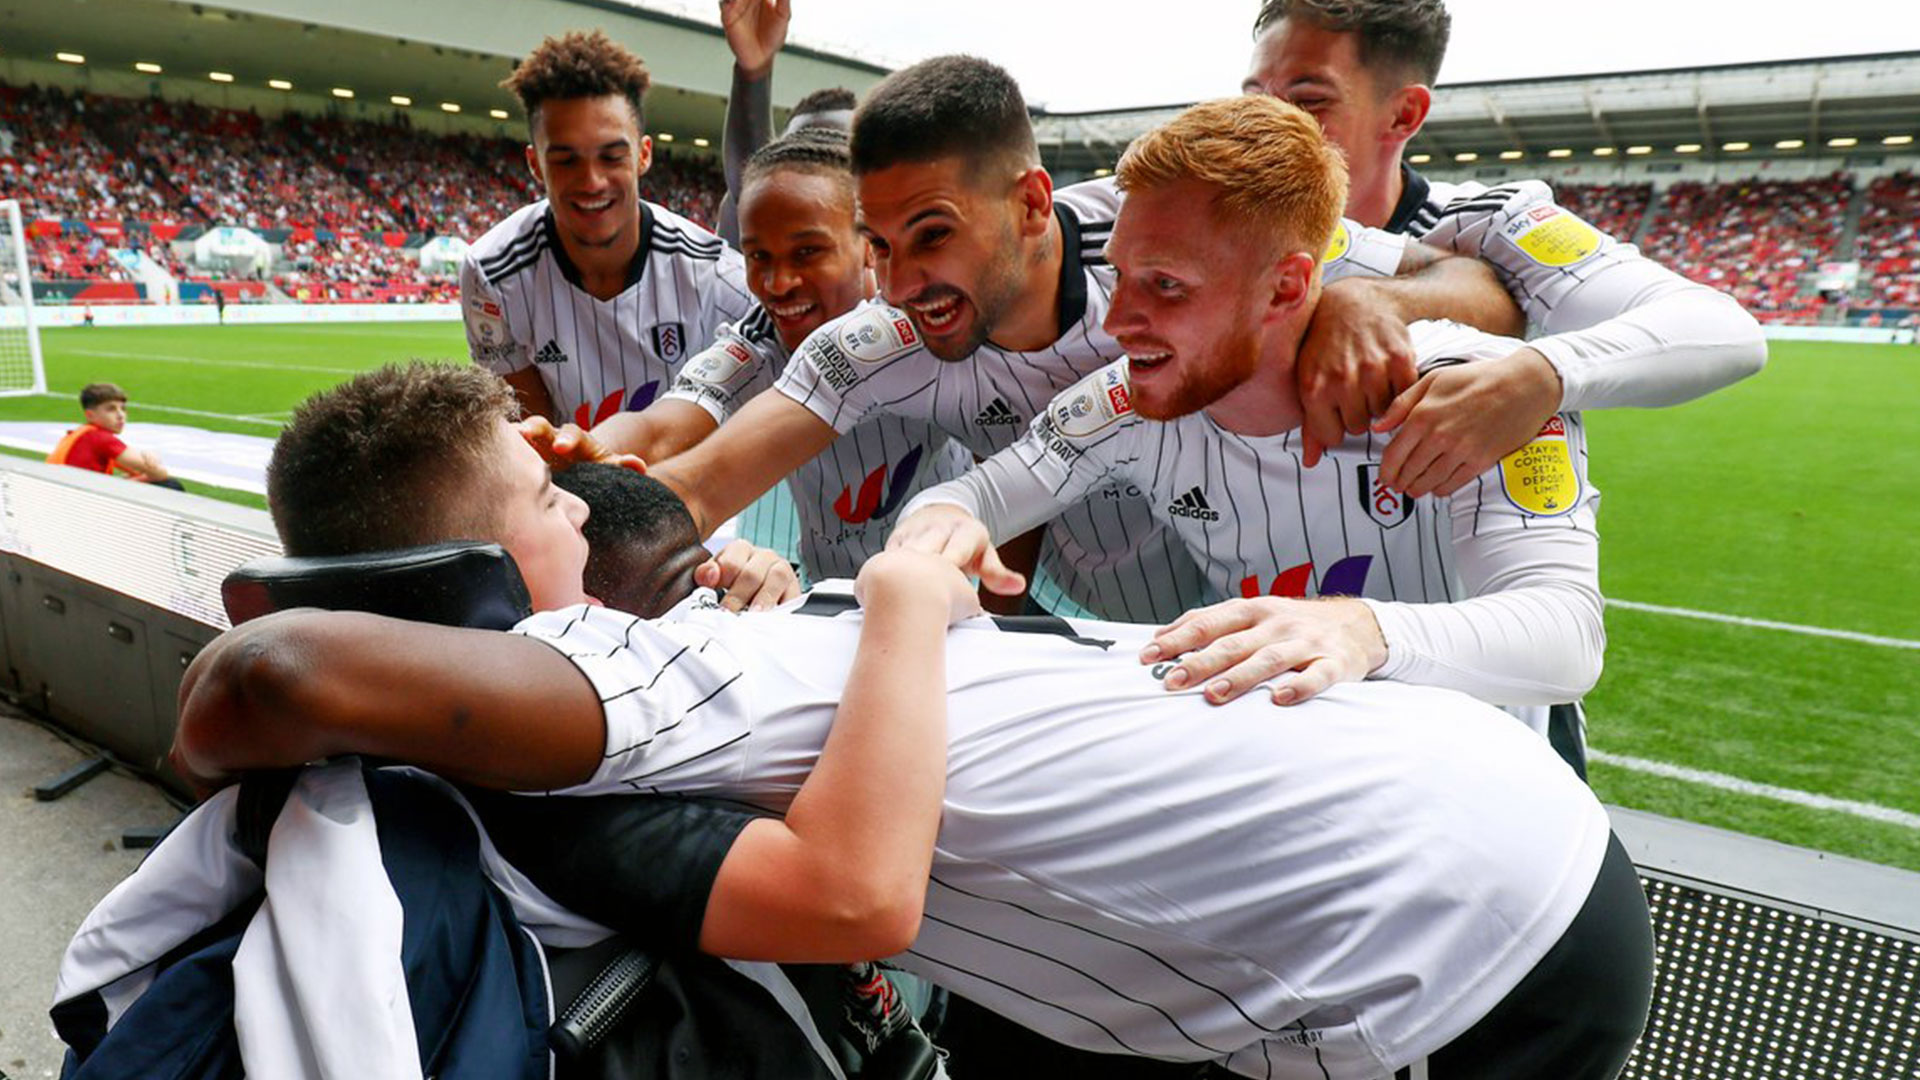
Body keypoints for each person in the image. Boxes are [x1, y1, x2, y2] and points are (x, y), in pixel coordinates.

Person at [171, 360, 1653, 1079]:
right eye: (551, 494)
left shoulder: (648, 657)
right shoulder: (584, 693)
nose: (585, 477)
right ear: (465, 582)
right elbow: (266, 679)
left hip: (1448, 897)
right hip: (1457, 907)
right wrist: (890, 598)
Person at [625, 55, 1524, 624]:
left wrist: (1373, 301)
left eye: (933, 234)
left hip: (1335, 619)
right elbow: (695, 487)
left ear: (1030, 203)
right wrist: (547, 508)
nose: (899, 287)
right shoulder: (879, 337)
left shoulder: (1159, 244)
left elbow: (1482, 284)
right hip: (1104, 640)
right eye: (880, 246)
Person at [890, 96, 1599, 770]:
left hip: (1480, 804)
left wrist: (1360, 630)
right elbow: (971, 496)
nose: (1116, 321)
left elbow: (1567, 636)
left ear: (1288, 287)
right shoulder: (1127, 396)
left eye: (1166, 286)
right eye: (1122, 276)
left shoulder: (1476, 388)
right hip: (1282, 780)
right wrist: (939, 526)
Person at [1242, 0, 1767, 491]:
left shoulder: (1488, 224)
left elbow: (1724, 330)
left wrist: (1540, 376)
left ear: (1403, 115)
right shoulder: (1215, 235)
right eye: (1254, 100)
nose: (1266, 126)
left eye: (1309, 102)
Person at [552, 128, 972, 583]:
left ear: (870, 245)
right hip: (826, 599)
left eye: (807, 252)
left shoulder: (928, 328)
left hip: (948, 603)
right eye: (759, 256)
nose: (777, 283)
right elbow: (662, 424)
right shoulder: (761, 336)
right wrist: (585, 447)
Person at [459, 30, 757, 431]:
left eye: (612, 156)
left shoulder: (713, 274)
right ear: (535, 165)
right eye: (566, 161)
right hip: (570, 484)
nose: (592, 181)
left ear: (643, 155)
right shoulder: (491, 273)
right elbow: (535, 433)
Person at [46, 382, 183, 490]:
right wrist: (153, 458)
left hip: (59, 496)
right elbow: (160, 474)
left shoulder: (80, 433)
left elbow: (137, 470)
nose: (120, 415)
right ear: (90, 415)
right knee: (169, 485)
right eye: (111, 409)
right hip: (77, 504)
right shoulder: (101, 439)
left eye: (123, 408)